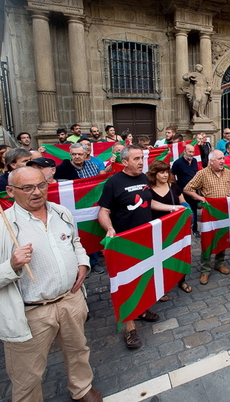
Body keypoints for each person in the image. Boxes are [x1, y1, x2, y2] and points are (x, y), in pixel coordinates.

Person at [0, 167, 102, 402]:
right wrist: (10, 267)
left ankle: (82, 388)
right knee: (27, 374)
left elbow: (75, 241)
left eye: (41, 185)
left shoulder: (61, 212)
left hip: (70, 300)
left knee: (78, 351)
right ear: (10, 191)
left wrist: (83, 263)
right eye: (27, 188)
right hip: (30, 313)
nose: (37, 192)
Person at [97, 145, 183, 349]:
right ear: (124, 162)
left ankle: (142, 309)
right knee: (127, 283)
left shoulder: (145, 179)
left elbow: (150, 203)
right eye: (136, 158)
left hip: (146, 240)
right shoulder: (113, 183)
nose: (140, 162)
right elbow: (103, 210)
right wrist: (109, 228)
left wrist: (172, 207)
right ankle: (130, 328)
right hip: (125, 242)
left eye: (141, 158)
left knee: (145, 277)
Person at [183, 150, 230, 284]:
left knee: (222, 238)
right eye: (220, 159)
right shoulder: (202, 174)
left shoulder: (228, 172)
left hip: (225, 213)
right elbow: (187, 189)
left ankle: (219, 263)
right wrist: (200, 198)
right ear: (211, 161)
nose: (223, 161)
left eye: (223, 159)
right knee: (208, 240)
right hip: (210, 214)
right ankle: (205, 270)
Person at [147, 161, 192, 294]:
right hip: (158, 230)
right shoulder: (148, 189)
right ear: (154, 174)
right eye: (161, 172)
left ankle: (181, 280)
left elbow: (182, 201)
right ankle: (162, 285)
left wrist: (186, 208)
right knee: (161, 258)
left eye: (167, 172)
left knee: (178, 253)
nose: (165, 175)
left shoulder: (173, 187)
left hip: (175, 228)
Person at [171, 143, 200, 235]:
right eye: (189, 151)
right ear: (184, 151)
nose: (191, 154)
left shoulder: (194, 161)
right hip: (182, 192)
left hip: (193, 191)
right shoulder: (178, 163)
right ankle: (184, 230)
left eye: (193, 152)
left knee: (194, 210)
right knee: (185, 210)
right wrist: (176, 188)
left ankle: (195, 230)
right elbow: (172, 175)